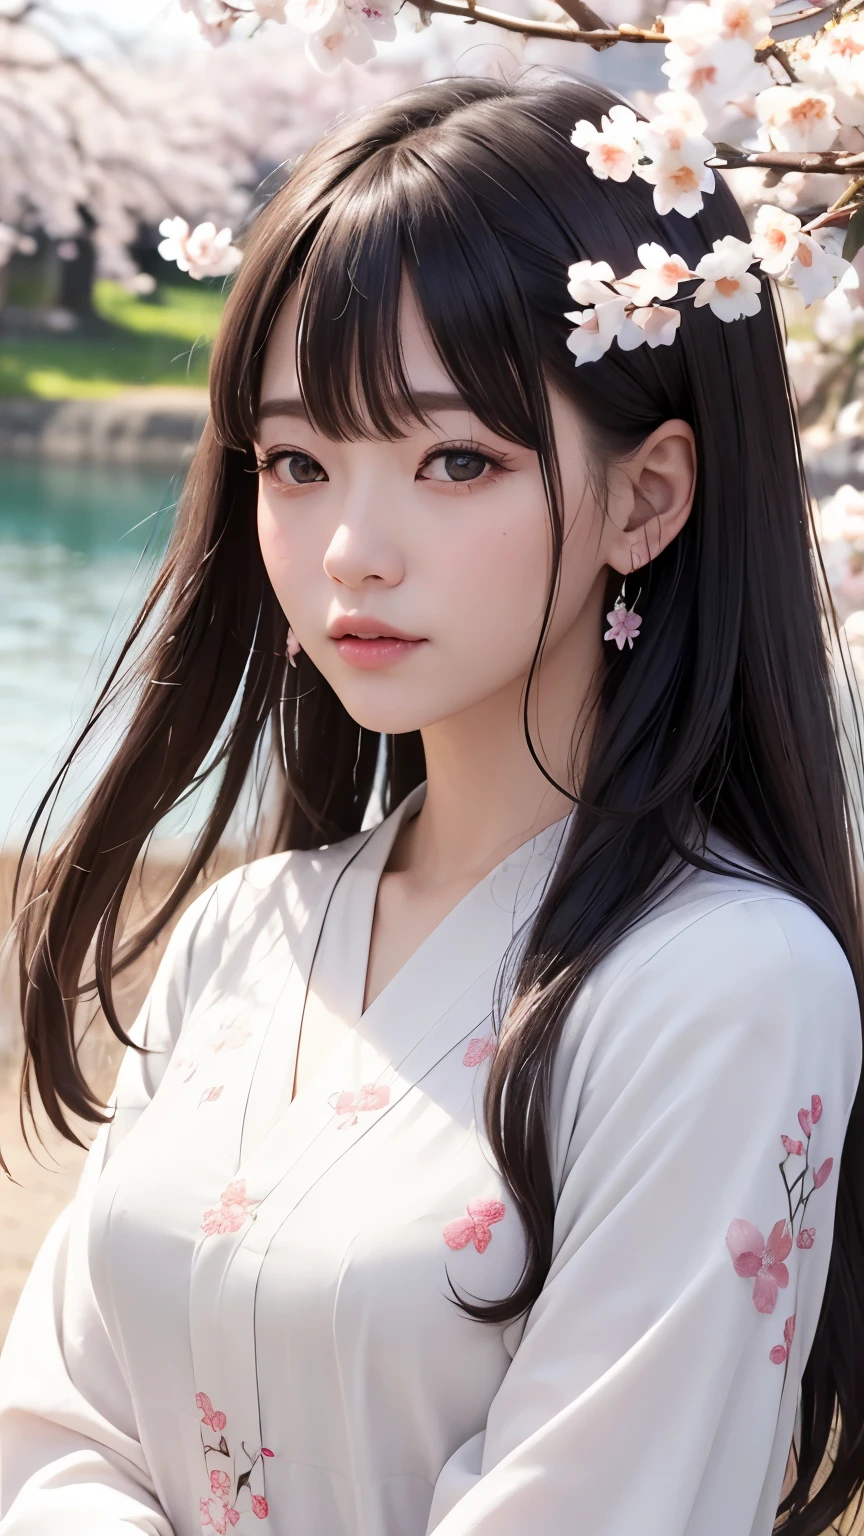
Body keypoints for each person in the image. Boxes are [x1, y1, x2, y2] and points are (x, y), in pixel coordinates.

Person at [1, 71, 863, 1536]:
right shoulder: (244, 933)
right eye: (297, 461)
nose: (350, 549)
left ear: (647, 499)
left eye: (454, 458)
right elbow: (57, 1435)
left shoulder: (728, 987)